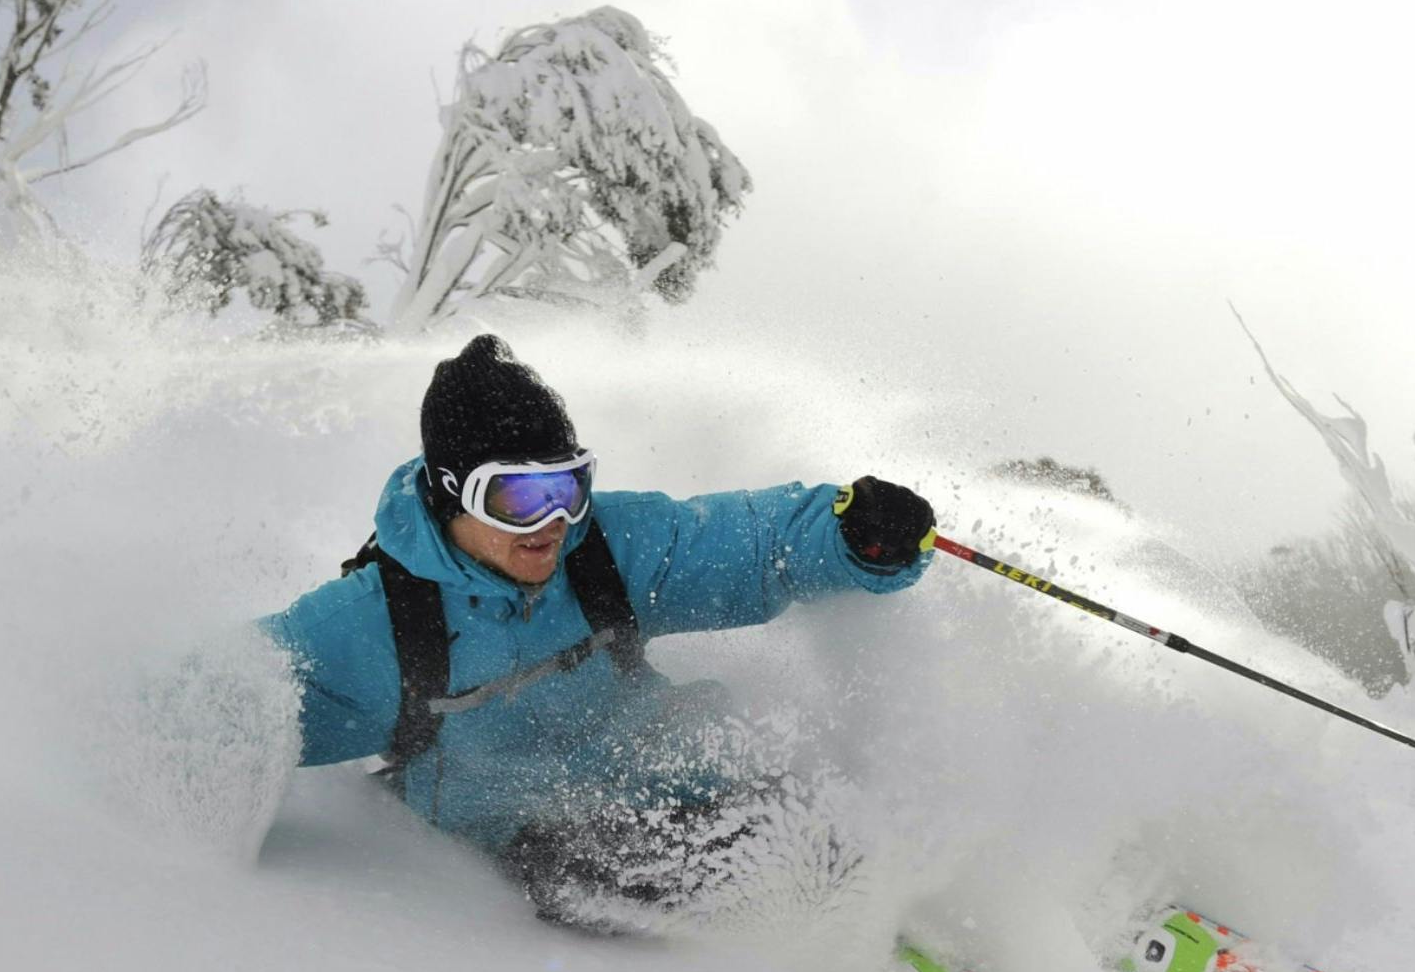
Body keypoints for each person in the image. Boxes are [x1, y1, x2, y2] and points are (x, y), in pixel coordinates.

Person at [260, 334, 936, 926]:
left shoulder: (605, 549)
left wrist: (855, 536)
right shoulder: (375, 625)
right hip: (547, 842)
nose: (552, 521)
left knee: (808, 801)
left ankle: (879, 905)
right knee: (601, 863)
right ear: (449, 491)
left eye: (568, 487)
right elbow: (229, 700)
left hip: (677, 775)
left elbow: (755, 542)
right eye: (518, 498)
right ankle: (783, 933)